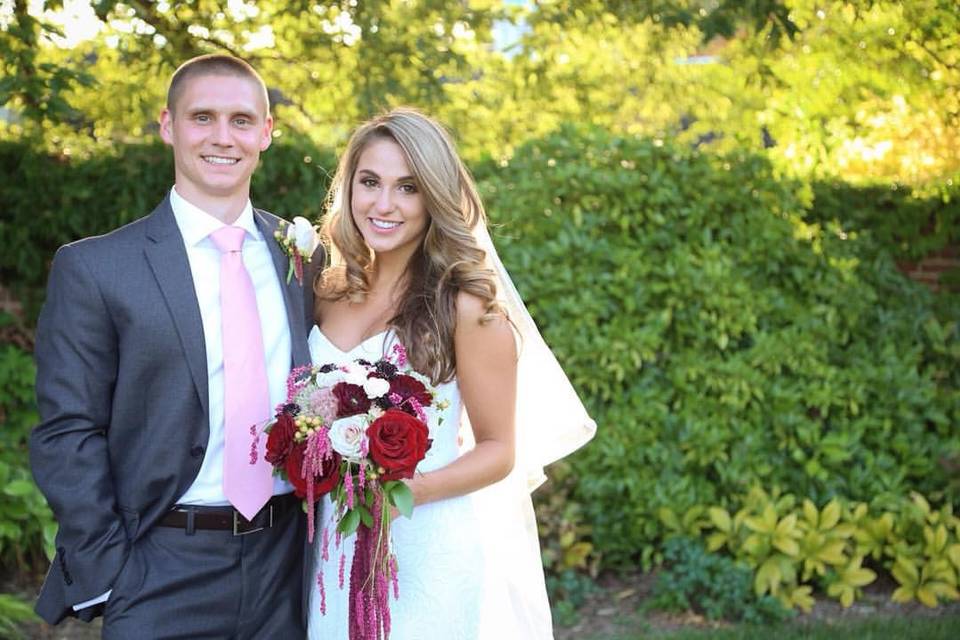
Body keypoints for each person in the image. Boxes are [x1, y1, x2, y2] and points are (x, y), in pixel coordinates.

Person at [29, 54, 317, 638]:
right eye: (201, 117)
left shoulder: (305, 258)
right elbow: (67, 430)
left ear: (266, 133)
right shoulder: (97, 268)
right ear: (168, 126)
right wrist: (110, 571)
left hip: (288, 563)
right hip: (159, 567)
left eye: (241, 120)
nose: (222, 137)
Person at [306, 108, 595, 639]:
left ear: (433, 197)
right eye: (370, 182)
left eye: (408, 187)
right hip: (335, 543)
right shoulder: (327, 291)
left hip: (428, 542)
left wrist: (409, 492)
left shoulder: (466, 307)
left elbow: (498, 450)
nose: (384, 204)